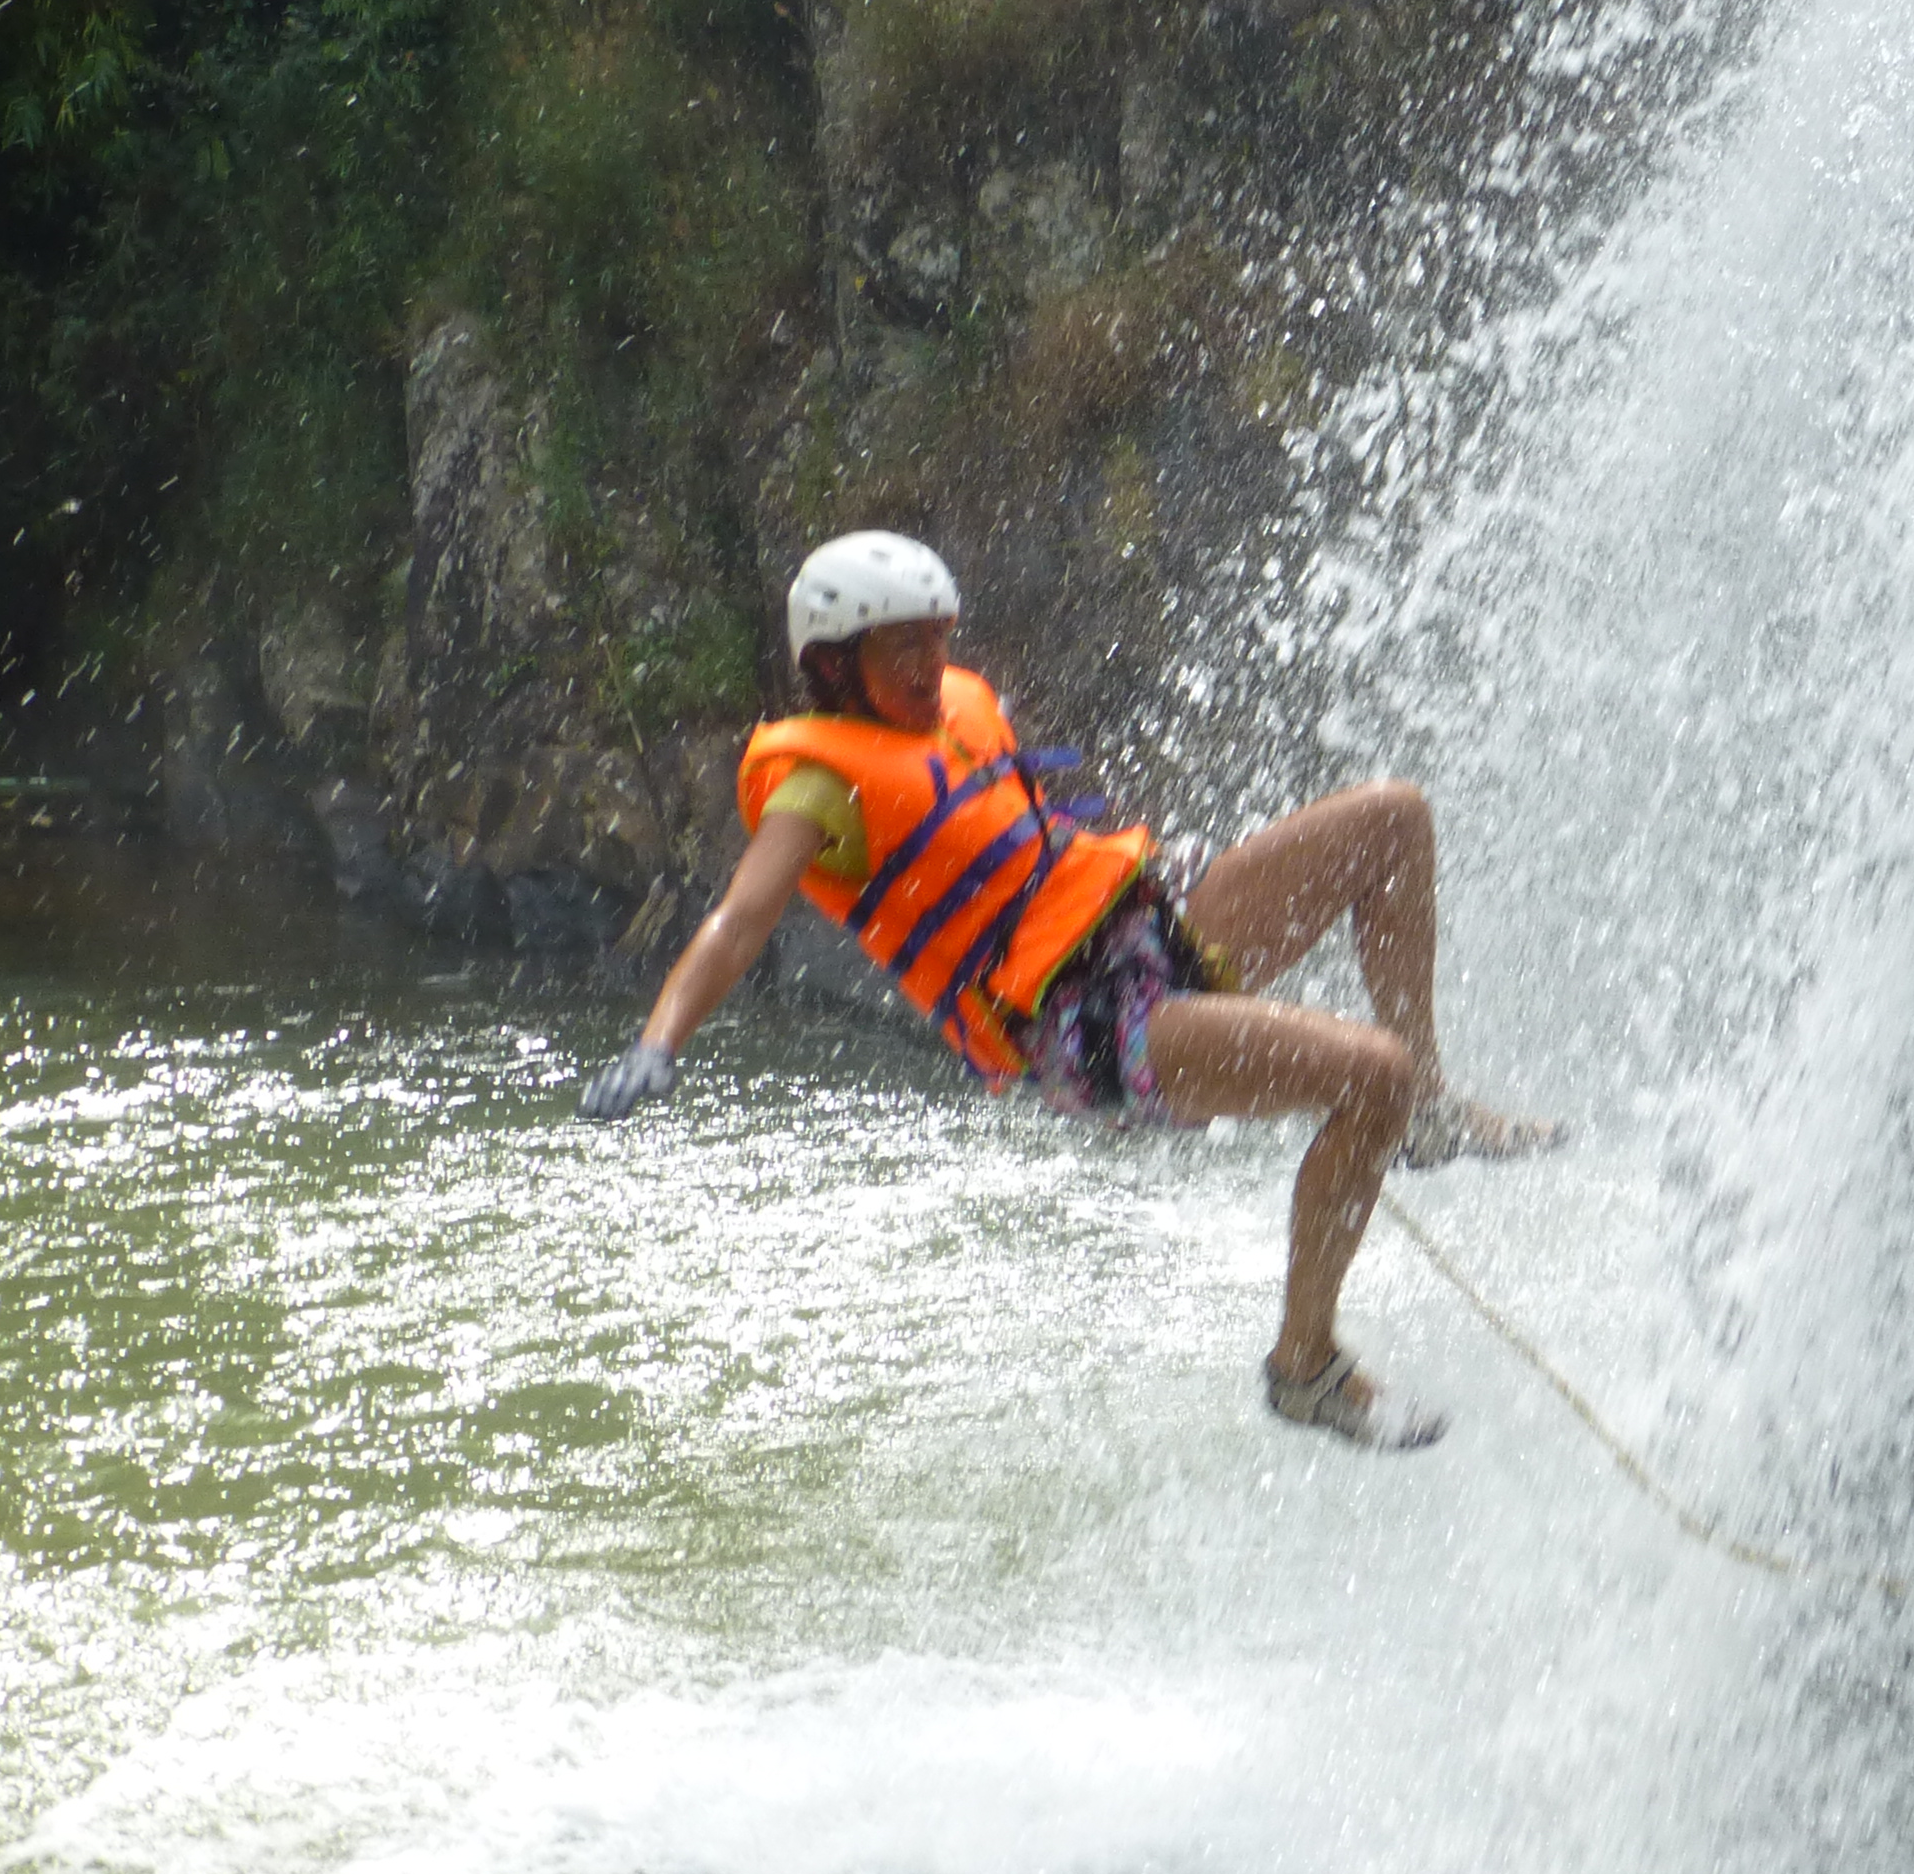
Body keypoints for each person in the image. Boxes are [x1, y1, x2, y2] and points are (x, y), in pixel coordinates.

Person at [579, 530, 1553, 1449]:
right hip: (1075, 1025)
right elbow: (739, 921)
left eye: (935, 639)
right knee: (1362, 1074)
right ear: (834, 665)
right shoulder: (815, 788)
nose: (928, 664)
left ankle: (1426, 1108)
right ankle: (1306, 1368)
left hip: (1144, 931)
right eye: (899, 648)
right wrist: (661, 1040)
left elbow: (1015, 831)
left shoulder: (957, 708)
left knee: (1390, 819)